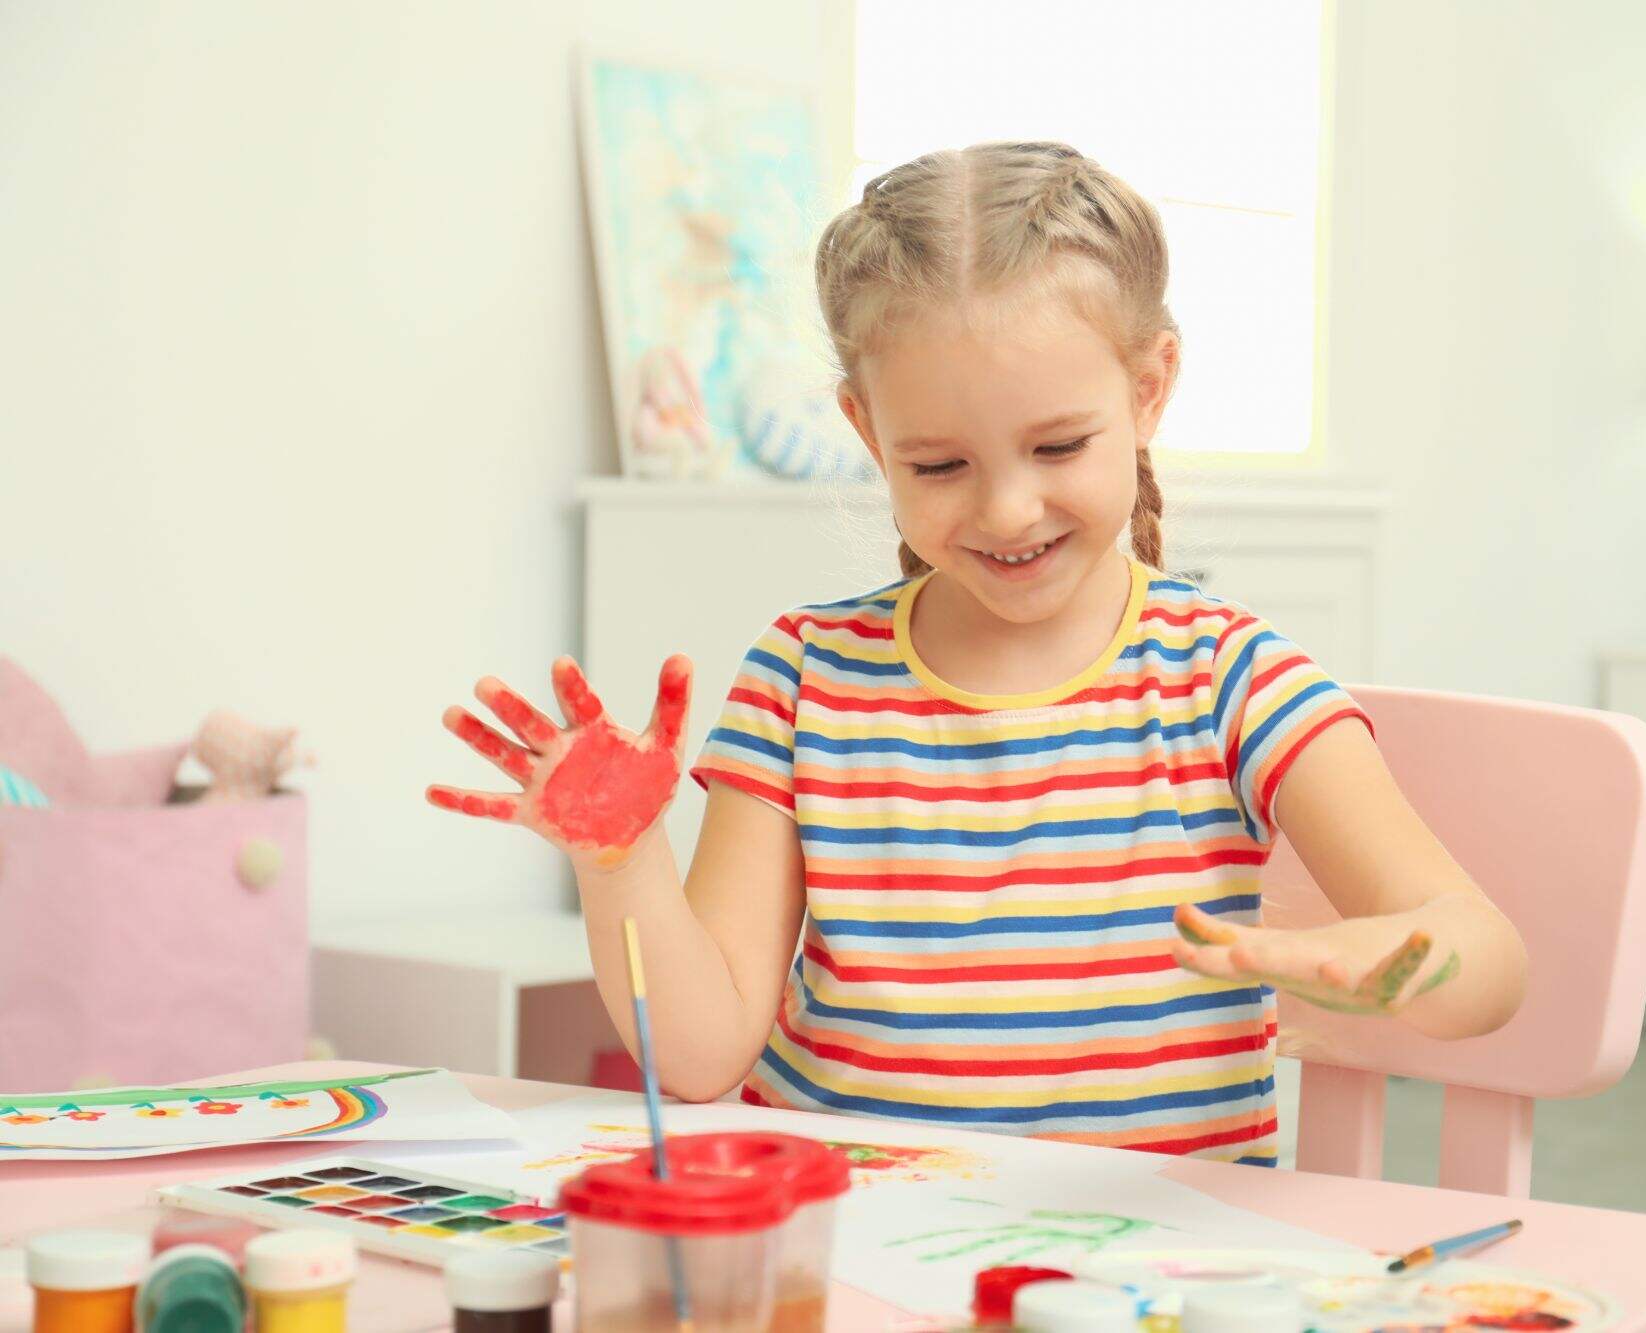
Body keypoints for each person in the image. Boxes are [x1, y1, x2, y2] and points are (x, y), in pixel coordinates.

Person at [427, 142, 1528, 1165]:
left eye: (1057, 445)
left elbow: (1484, 955)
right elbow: (703, 1052)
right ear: (867, 433)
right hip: (854, 1249)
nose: (1007, 508)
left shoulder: (1228, 679)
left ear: (1147, 391)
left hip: (1144, 1275)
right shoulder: (802, 679)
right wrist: (620, 861)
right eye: (940, 464)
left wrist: (1394, 964)